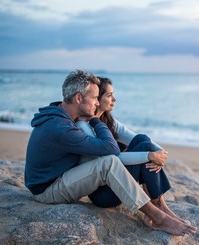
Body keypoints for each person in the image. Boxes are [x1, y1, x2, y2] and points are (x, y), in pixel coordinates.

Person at [24, 70, 196, 236]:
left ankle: (159, 206)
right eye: (94, 98)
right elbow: (111, 149)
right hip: (47, 190)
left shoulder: (61, 116)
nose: (98, 103)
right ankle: (158, 217)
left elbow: (124, 142)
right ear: (78, 98)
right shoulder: (62, 128)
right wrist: (95, 120)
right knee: (109, 163)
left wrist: (156, 152)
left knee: (139, 143)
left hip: (57, 178)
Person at [76, 76, 191, 227]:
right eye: (109, 95)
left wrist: (160, 154)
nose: (114, 99)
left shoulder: (107, 120)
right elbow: (112, 161)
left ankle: (159, 203)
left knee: (142, 140)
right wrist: (150, 156)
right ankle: (157, 205)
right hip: (103, 194)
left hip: (117, 184)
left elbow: (137, 138)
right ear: (97, 99)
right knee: (144, 148)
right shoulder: (84, 127)